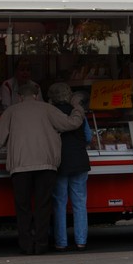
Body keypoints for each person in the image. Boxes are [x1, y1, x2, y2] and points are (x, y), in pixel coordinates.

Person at [0, 83, 85, 255]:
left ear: (19, 96)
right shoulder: (48, 109)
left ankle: (26, 245)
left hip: (20, 166)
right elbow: (71, 123)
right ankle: (41, 244)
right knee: (43, 205)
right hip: (46, 165)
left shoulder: (11, 112)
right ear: (37, 94)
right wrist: (78, 108)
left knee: (22, 207)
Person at [47, 83, 91, 252]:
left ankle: (61, 242)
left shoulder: (49, 114)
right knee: (80, 202)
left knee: (59, 203)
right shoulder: (78, 113)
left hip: (59, 162)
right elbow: (88, 136)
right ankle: (81, 241)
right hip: (79, 160)